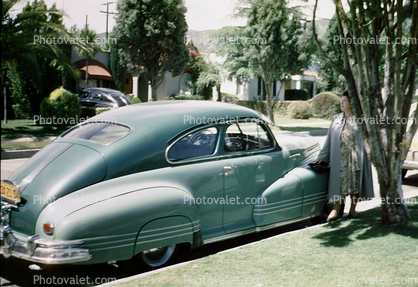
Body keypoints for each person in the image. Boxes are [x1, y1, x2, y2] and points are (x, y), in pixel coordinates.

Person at [313, 91, 374, 222]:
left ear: (351, 103)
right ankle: (336, 209)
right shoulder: (336, 119)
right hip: (339, 159)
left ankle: (352, 209)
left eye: (344, 101)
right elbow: (329, 140)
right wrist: (322, 156)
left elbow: (369, 138)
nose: (341, 103)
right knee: (338, 184)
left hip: (355, 159)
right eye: (341, 100)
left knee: (355, 185)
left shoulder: (360, 119)